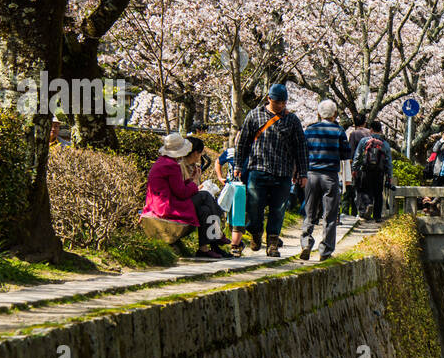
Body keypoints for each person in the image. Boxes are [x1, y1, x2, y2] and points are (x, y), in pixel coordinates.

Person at [235, 83, 308, 257]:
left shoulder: (292, 120)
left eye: (284, 102)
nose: (281, 105)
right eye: (278, 102)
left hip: (283, 172)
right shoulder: (254, 116)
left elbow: (301, 147)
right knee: (254, 207)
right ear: (269, 99)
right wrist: (238, 165)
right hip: (258, 169)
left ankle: (273, 244)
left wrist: (303, 172)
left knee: (278, 209)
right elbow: (243, 142)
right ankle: (255, 232)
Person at [142, 133, 227, 257]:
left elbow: (177, 187)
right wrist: (194, 180)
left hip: (161, 203)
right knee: (205, 196)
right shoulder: (171, 165)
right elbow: (182, 193)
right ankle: (217, 235)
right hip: (167, 206)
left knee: (205, 209)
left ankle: (204, 249)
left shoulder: (163, 162)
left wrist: (191, 179)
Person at [301, 99, 352, 261]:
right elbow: (346, 155)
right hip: (330, 176)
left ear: (318, 114)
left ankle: (306, 243)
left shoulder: (309, 130)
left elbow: (302, 152)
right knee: (329, 215)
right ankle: (325, 251)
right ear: (335, 114)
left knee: (309, 212)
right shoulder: (339, 131)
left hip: (311, 175)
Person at [352, 119, 394, 222]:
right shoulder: (385, 144)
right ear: (380, 130)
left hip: (366, 170)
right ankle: (377, 216)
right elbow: (388, 162)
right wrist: (389, 176)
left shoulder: (364, 141)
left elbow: (357, 156)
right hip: (379, 172)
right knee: (378, 193)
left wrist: (354, 168)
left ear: (370, 130)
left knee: (365, 190)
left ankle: (366, 207)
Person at [344, 112, 373, 216]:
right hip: (371, 165)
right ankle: (368, 205)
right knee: (368, 187)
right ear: (365, 122)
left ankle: (359, 211)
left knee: (357, 188)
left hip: (359, 165)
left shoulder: (354, 134)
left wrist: (351, 168)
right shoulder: (370, 133)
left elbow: (351, 152)